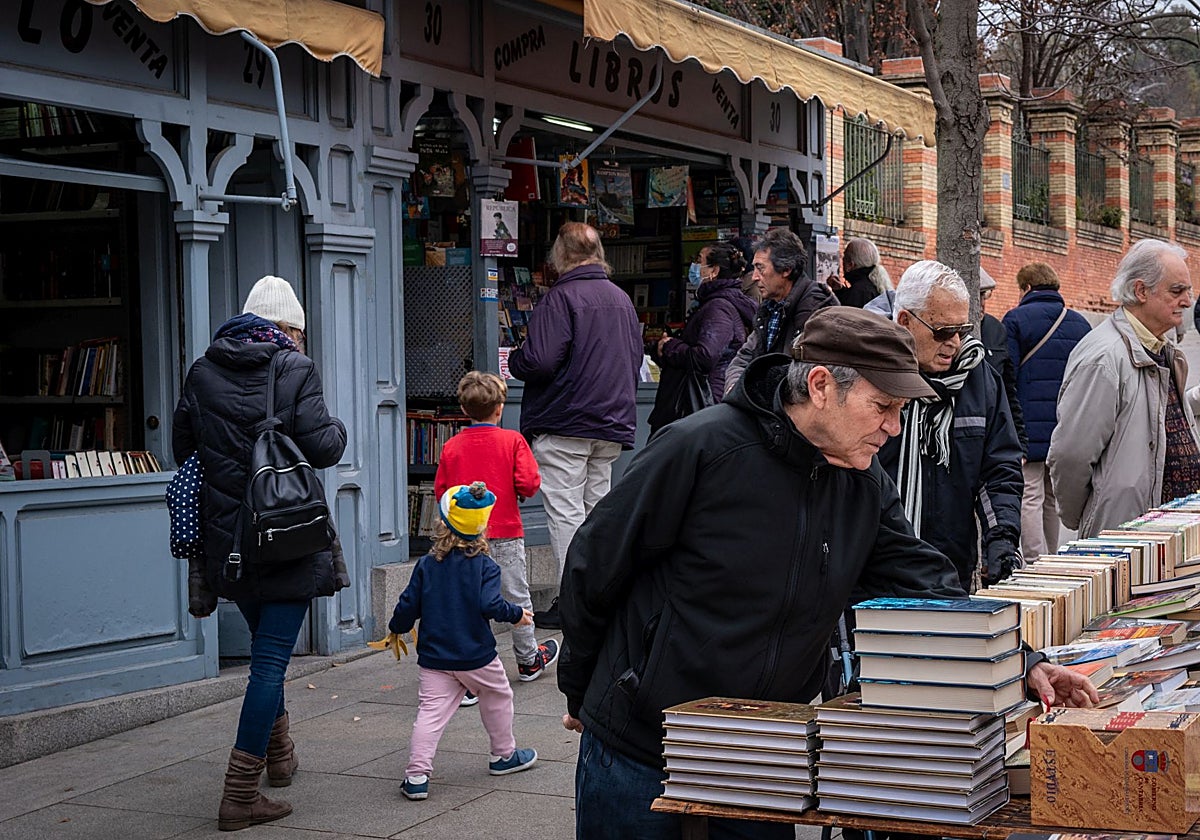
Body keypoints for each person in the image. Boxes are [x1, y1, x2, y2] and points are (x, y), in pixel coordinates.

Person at [556, 307, 1097, 840]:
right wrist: (580, 693)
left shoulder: (863, 482)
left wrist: (1021, 663)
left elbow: (927, 586)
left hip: (763, 757)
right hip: (641, 747)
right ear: (820, 385)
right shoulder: (700, 448)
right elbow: (594, 566)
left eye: (901, 409)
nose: (894, 426)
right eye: (882, 406)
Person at [173, 275, 347, 832]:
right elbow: (322, 447)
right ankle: (240, 793)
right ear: (289, 327)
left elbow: (183, 447)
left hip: (229, 540)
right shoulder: (294, 366)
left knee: (262, 648)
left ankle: (279, 754)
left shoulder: (202, 371)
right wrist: (336, 426)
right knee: (270, 663)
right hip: (286, 534)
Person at [507, 222, 642, 631]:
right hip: (611, 420)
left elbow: (541, 361)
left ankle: (577, 601)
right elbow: (634, 359)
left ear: (560, 255)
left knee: (566, 513)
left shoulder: (560, 298)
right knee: (596, 510)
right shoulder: (621, 299)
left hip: (566, 419)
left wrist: (516, 359)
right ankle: (602, 593)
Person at [389, 483, 540, 802]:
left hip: (434, 658)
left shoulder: (427, 564)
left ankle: (416, 776)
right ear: (482, 528)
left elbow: (407, 605)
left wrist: (396, 628)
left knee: (430, 714)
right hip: (477, 657)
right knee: (498, 696)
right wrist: (517, 615)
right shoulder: (486, 566)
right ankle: (503, 755)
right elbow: (491, 604)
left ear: (442, 524)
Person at [879, 261, 1024, 590]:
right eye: (943, 332)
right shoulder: (871, 374)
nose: (955, 343)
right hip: (875, 570)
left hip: (949, 566)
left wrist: (1001, 543)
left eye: (963, 330)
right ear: (904, 322)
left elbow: (998, 470)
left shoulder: (979, 377)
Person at [1049, 239, 1200, 537]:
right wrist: (1094, 515)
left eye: (1188, 291)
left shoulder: (1162, 349)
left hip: (1166, 536)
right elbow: (1070, 456)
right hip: (1126, 540)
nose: (1187, 301)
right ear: (1142, 291)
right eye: (1177, 291)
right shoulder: (1105, 357)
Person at [434, 372, 558, 684]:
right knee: (516, 596)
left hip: (463, 536)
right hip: (505, 531)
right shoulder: (513, 441)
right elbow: (529, 484)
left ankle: (472, 672)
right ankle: (529, 659)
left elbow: (442, 493)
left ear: (464, 410)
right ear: (500, 408)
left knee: (468, 601)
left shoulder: (451, 446)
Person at [1002, 263, 1092, 558]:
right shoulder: (1079, 323)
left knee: (1030, 494)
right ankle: (1051, 555)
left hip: (1027, 424)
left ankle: (1034, 559)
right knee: (1053, 495)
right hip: (1066, 422)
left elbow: (1008, 373)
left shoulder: (1015, 320)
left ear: (1026, 288)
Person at [648, 242, 757, 434]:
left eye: (699, 261)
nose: (695, 267)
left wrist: (670, 346)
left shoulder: (718, 308)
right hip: (700, 403)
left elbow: (705, 356)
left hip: (700, 403)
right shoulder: (714, 303)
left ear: (713, 271)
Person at [723, 227, 838, 394]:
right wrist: (735, 388)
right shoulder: (771, 307)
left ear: (786, 269)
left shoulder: (815, 307)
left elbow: (803, 374)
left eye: (760, 268)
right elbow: (744, 356)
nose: (754, 276)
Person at [978, 268, 1027, 458]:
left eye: (985, 295)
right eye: (977, 295)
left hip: (992, 438)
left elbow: (1008, 391)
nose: (981, 303)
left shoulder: (996, 329)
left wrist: (1020, 443)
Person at [837, 237, 892, 308]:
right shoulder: (875, 284)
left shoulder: (859, 291)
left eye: (844, 258)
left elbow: (847, 315)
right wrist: (840, 290)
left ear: (850, 265)